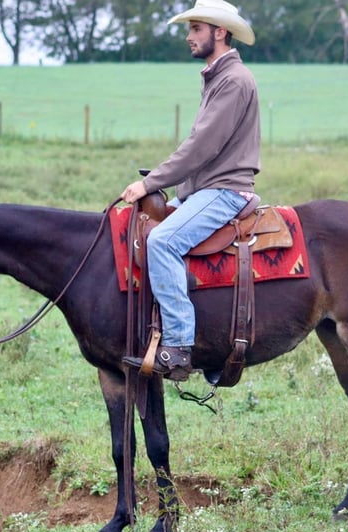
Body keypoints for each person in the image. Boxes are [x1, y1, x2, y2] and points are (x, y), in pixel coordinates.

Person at [122, 0, 261, 382]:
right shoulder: (217, 77)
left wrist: (150, 183)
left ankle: (180, 346)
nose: (189, 37)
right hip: (204, 188)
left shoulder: (233, 81)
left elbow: (201, 147)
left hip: (224, 190)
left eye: (196, 29)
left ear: (219, 32)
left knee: (162, 241)